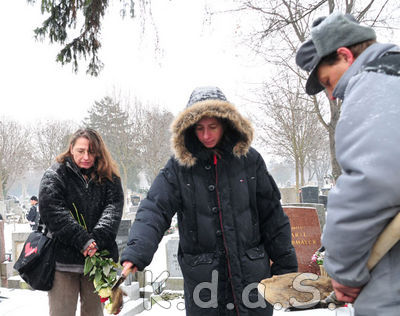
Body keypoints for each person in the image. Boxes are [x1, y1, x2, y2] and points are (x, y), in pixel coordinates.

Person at [120, 86, 298, 316]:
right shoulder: (179, 168)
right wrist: (136, 253)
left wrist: (286, 269)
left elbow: (273, 216)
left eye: (212, 127)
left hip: (252, 278)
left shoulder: (250, 161)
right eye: (200, 128)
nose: (206, 135)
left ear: (226, 123)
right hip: (205, 285)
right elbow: (155, 208)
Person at [296, 12, 400, 316]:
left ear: (344, 55)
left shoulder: (376, 83)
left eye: (328, 82)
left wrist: (343, 270)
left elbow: (374, 180)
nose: (333, 94)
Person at [39, 128, 124, 316]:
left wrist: (96, 241)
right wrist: (82, 240)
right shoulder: (55, 175)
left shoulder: (109, 177)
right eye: (81, 151)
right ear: (71, 148)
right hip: (63, 262)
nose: (86, 156)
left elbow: (113, 210)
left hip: (99, 262)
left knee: (94, 313)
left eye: (91, 151)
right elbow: (53, 211)